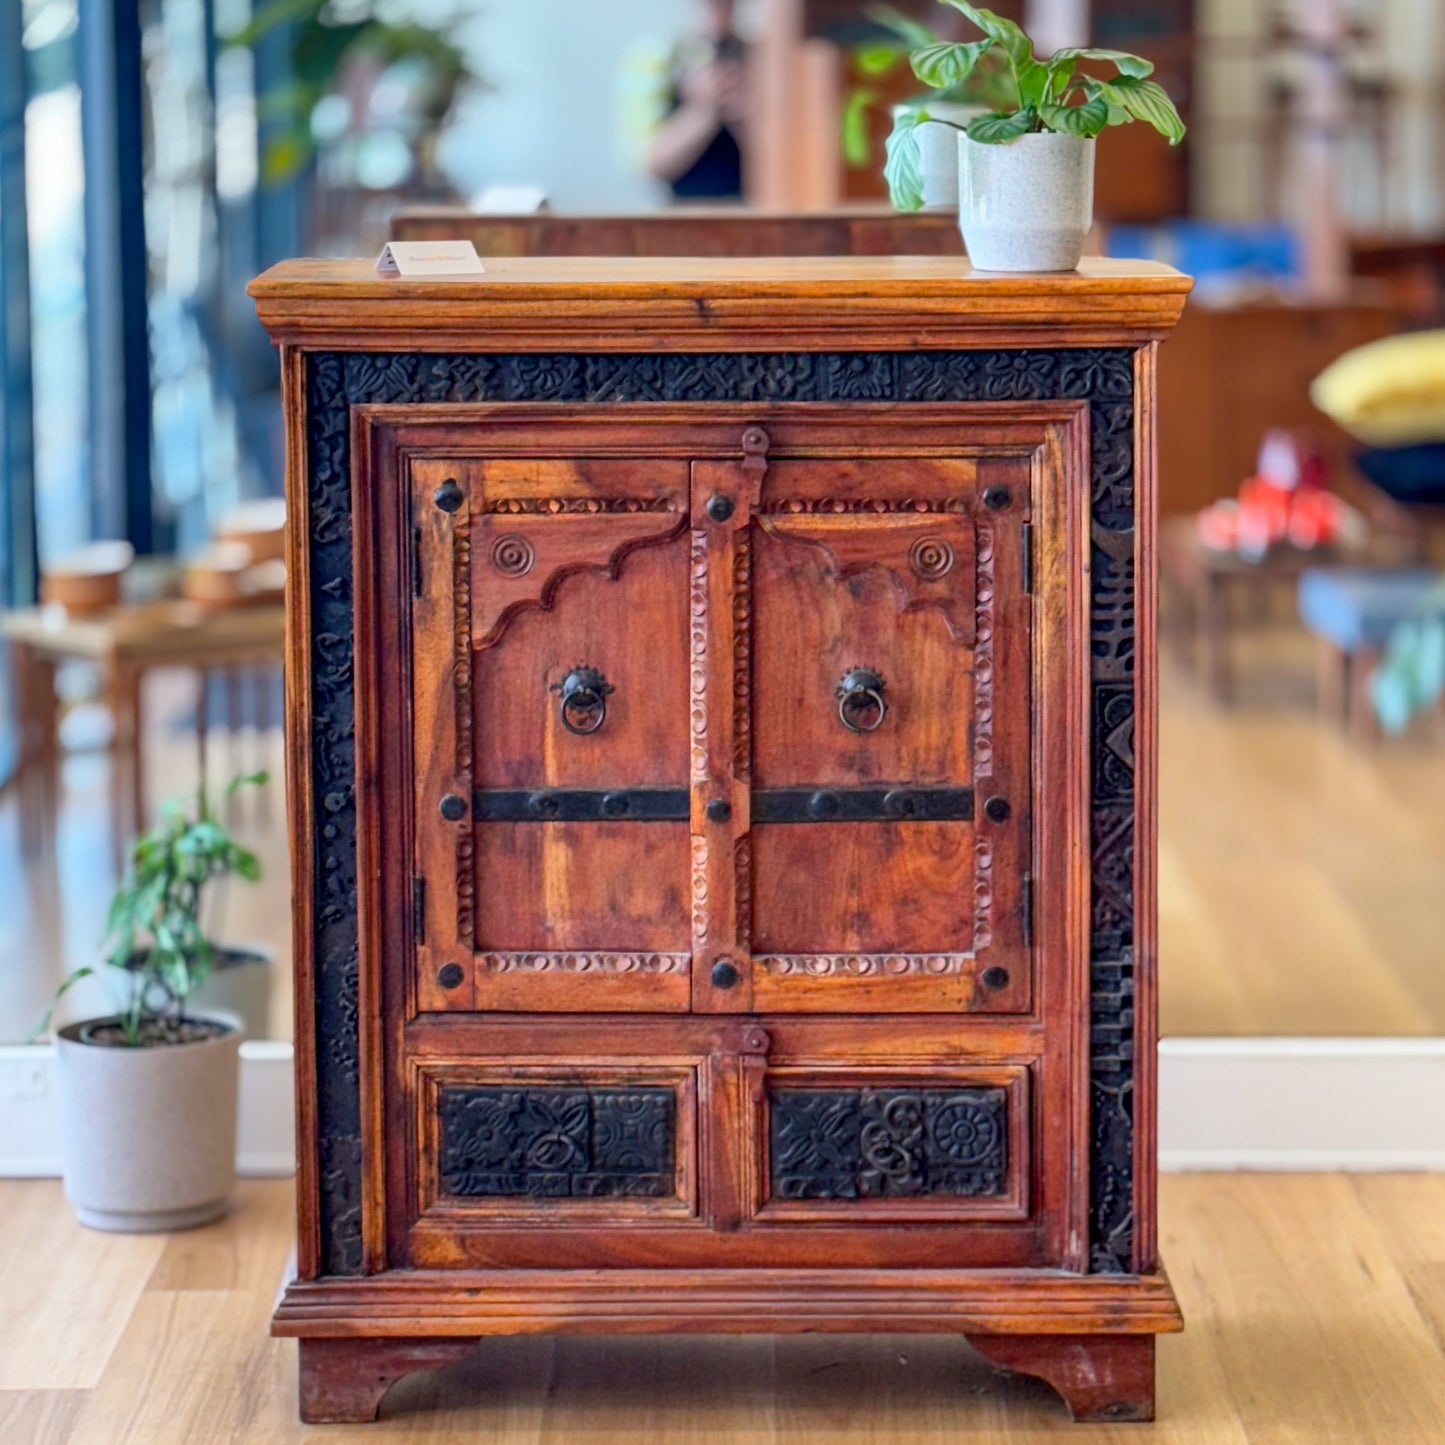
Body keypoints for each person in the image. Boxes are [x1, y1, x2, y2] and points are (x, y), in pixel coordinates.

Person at [645, 0, 749, 201]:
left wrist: (743, 111)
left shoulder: (764, 58)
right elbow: (653, 165)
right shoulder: (658, 60)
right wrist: (703, 109)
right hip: (687, 212)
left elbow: (788, 164)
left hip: (752, 209)